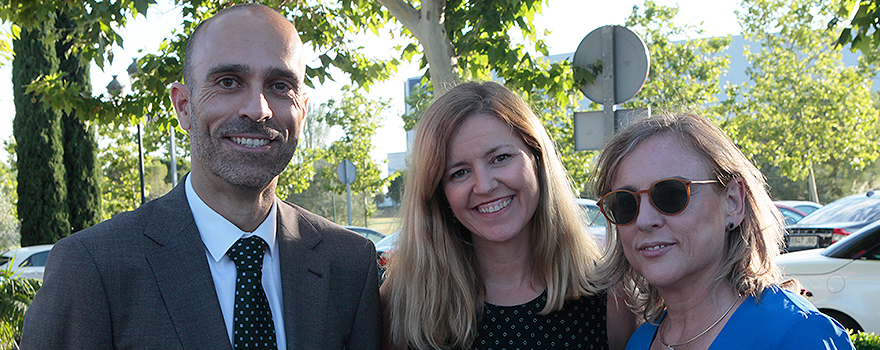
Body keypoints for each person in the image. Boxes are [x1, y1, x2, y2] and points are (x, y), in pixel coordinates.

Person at [20, 4, 380, 349]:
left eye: (280, 85)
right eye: (228, 82)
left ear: (302, 109)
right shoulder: (93, 267)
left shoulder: (348, 262)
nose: (257, 109)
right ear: (183, 106)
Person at [380, 81, 637, 350]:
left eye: (500, 158)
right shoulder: (402, 302)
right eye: (459, 172)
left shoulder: (609, 297)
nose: (485, 185)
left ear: (536, 158)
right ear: (439, 194)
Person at [592, 112, 854, 349]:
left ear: (733, 202)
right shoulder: (639, 342)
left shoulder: (799, 336)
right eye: (625, 203)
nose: (645, 220)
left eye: (670, 194)